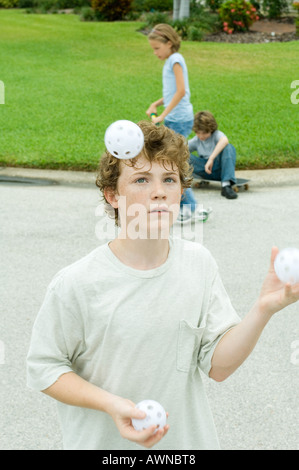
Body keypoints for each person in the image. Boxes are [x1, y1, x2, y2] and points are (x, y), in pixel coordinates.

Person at [27, 121, 299, 451]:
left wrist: (263, 309)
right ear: (113, 195)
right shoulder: (77, 283)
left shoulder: (199, 263)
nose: (159, 191)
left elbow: (219, 367)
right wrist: (111, 404)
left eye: (169, 179)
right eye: (142, 179)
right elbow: (45, 367)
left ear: (180, 192)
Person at [145, 23, 202, 222]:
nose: (155, 53)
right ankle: (188, 207)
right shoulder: (172, 60)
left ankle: (191, 209)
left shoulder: (175, 60)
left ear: (169, 43)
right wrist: (156, 104)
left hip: (178, 119)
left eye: (157, 48)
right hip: (175, 117)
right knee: (173, 163)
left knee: (175, 164)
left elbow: (181, 91)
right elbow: (170, 93)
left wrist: (162, 116)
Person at [188, 111, 238, 199]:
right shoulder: (196, 140)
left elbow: (224, 140)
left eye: (204, 133)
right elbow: (181, 150)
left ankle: (226, 186)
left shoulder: (216, 135)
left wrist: (211, 158)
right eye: (198, 133)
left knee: (229, 147)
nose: (201, 136)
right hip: (205, 170)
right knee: (181, 155)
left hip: (221, 169)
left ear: (211, 129)